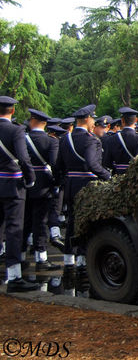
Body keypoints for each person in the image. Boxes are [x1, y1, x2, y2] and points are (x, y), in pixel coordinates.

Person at [55, 104, 111, 271]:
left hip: (71, 185)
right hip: (88, 186)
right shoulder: (92, 140)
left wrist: (62, 181)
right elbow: (92, 164)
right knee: (87, 222)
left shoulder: (66, 139)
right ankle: (82, 259)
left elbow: (58, 165)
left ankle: (68, 258)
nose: (94, 122)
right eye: (93, 118)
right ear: (87, 119)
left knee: (72, 221)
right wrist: (108, 176)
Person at [0, 96, 38, 292]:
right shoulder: (15, 130)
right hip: (12, 184)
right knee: (14, 229)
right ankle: (14, 276)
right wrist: (30, 178)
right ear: (12, 111)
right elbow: (23, 158)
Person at [23, 108, 61, 271]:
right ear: (45, 124)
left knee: (24, 222)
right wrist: (57, 183)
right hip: (44, 185)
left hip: (25, 183)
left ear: (32, 121)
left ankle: (21, 255)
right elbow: (54, 164)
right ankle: (41, 257)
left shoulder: (23, 138)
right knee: (40, 223)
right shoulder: (51, 141)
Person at [102, 107, 138, 175]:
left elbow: (106, 162)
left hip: (117, 176)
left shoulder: (112, 138)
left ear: (122, 120)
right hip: (134, 177)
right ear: (136, 120)